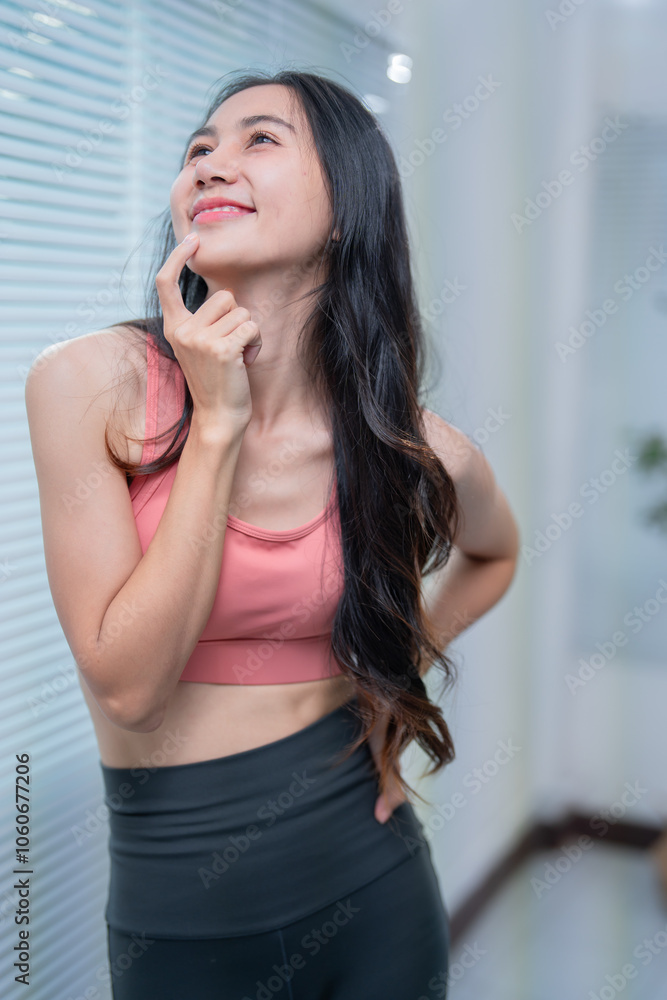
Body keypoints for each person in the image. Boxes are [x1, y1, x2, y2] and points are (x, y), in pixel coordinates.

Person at [24, 68, 519, 999]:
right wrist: (216, 423)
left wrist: (393, 689)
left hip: (372, 879)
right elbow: (129, 690)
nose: (210, 164)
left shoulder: (399, 441)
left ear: (344, 211)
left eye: (259, 140)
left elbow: (496, 552)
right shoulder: (88, 384)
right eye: (197, 149)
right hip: (178, 916)